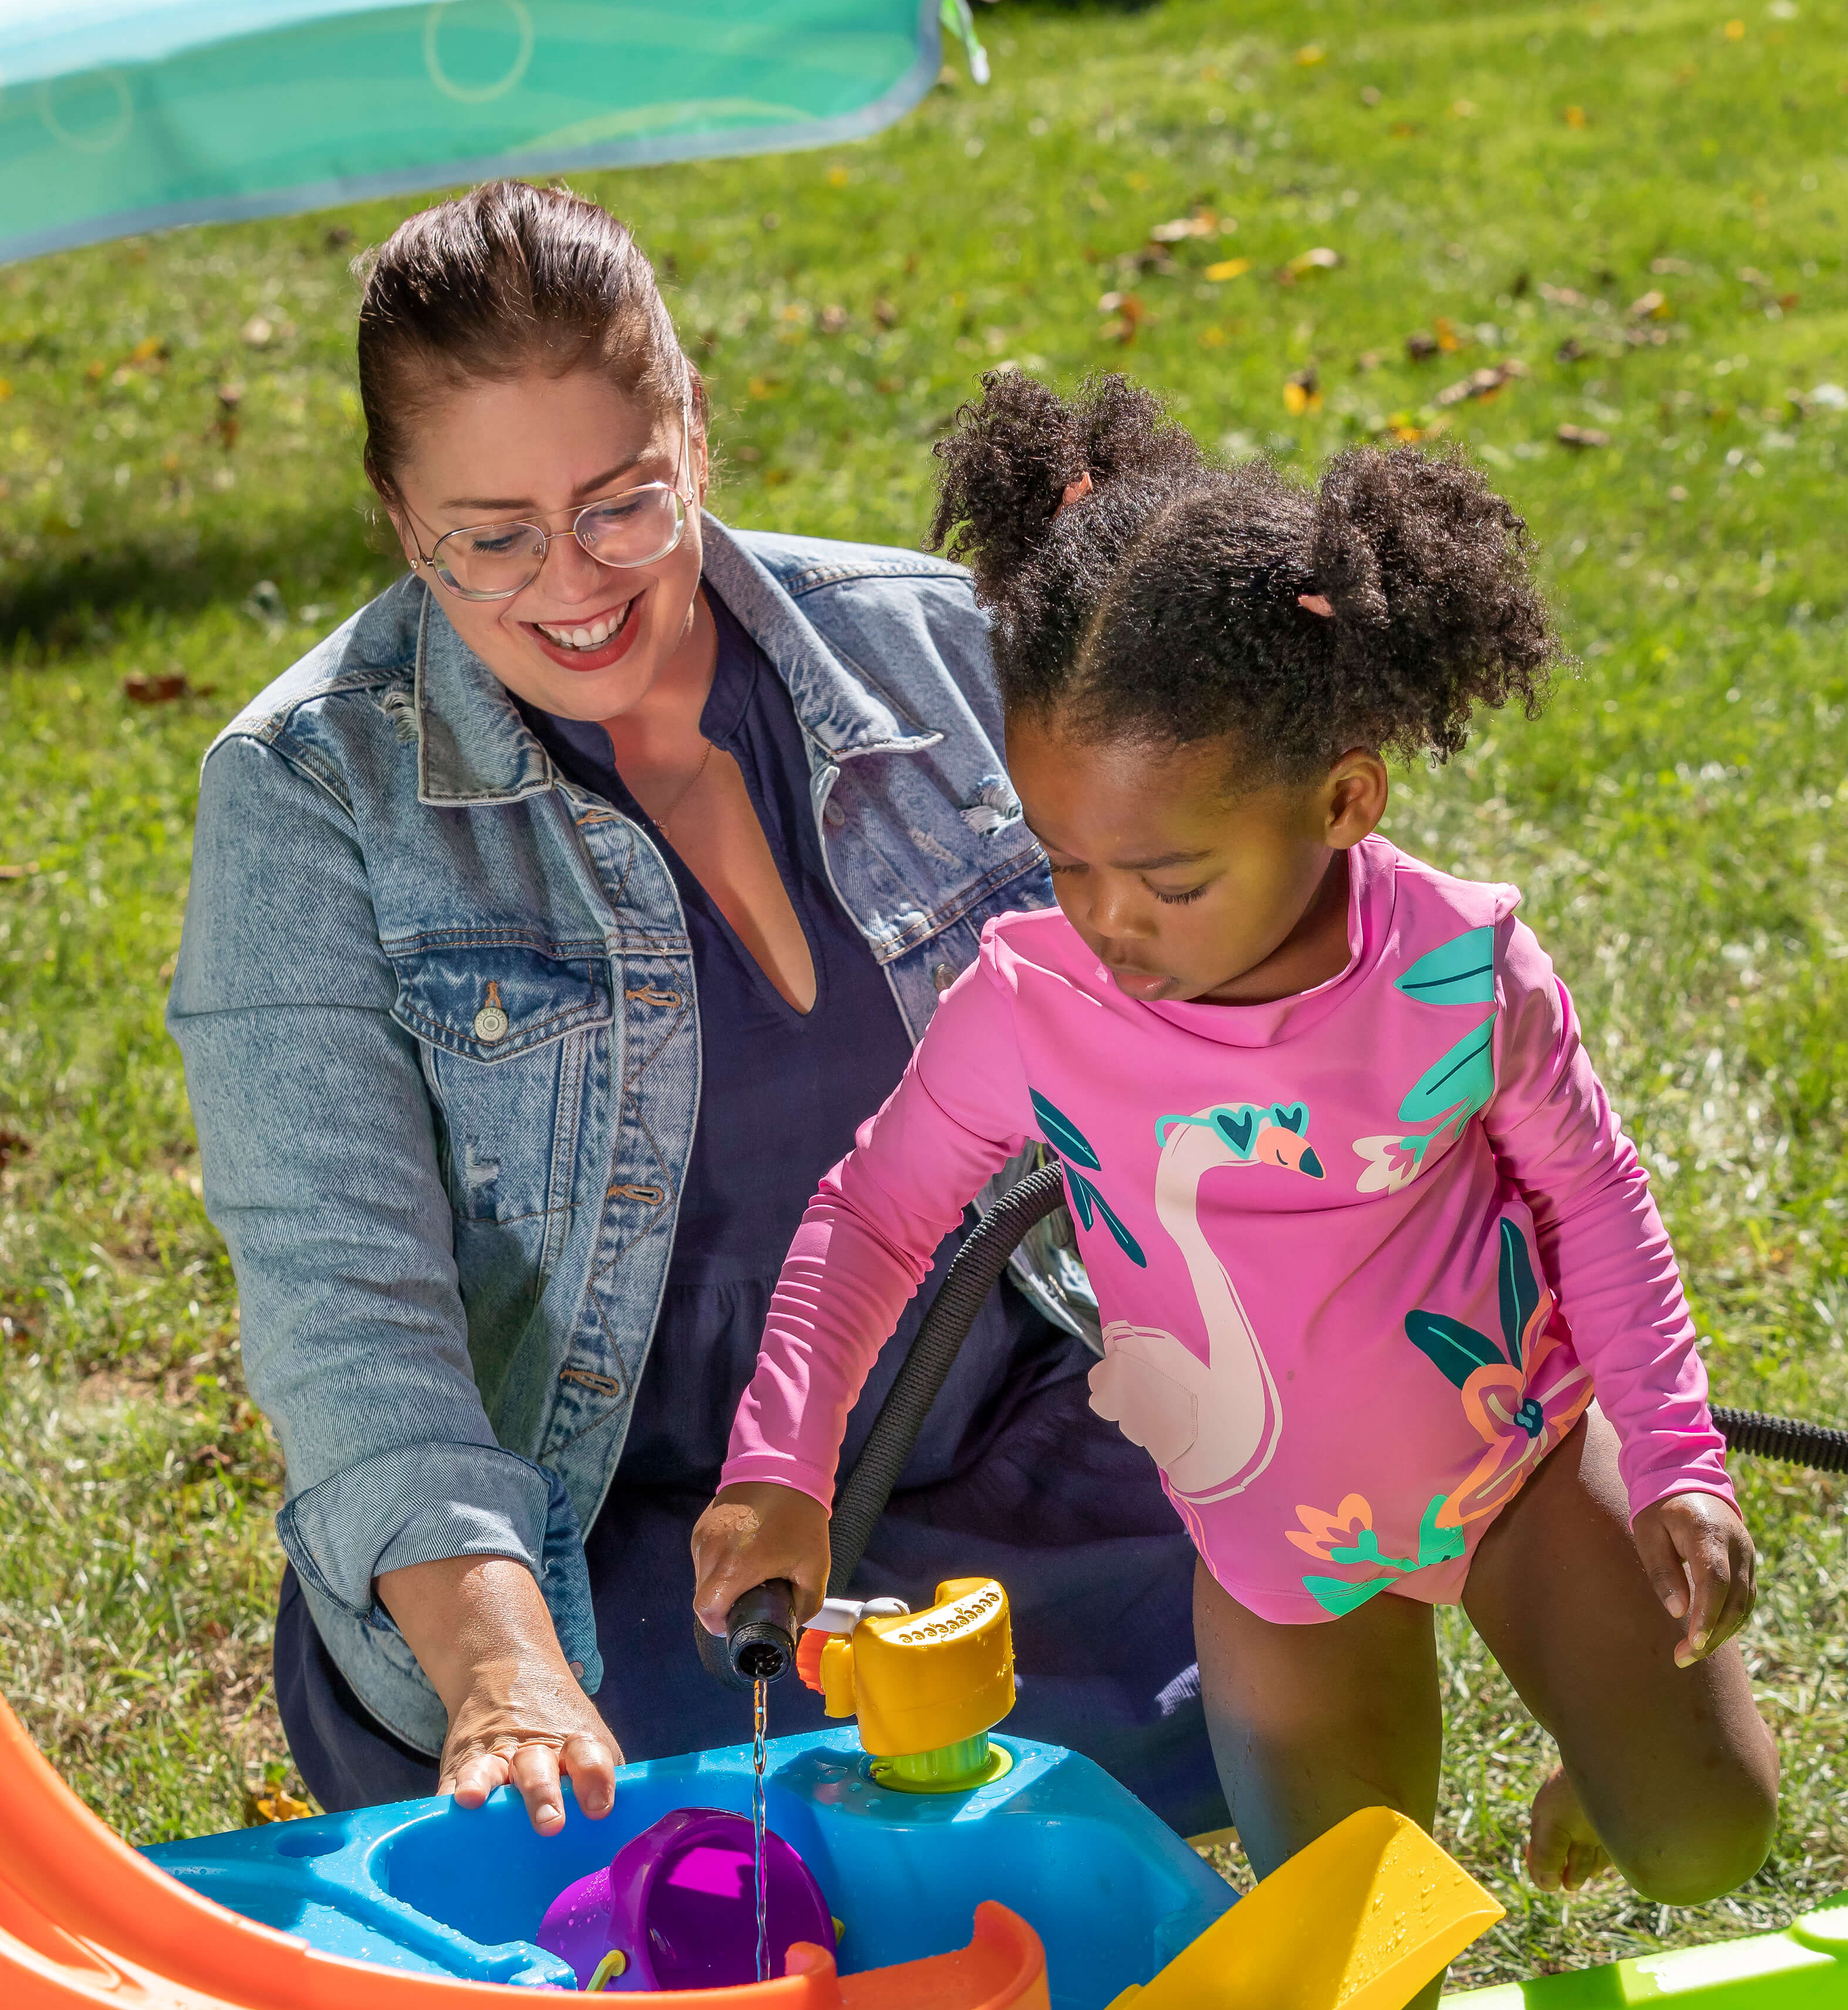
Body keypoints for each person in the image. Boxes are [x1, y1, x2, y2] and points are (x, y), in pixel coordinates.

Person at [694, 372, 1778, 2010]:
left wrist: (1673, 1456)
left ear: (1339, 803)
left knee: (1705, 1839)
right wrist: (778, 1464)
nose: (1109, 922)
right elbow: (875, 1212)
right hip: (1280, 1571)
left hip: (1514, 1471)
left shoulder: (1456, 976)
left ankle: (1610, 1745)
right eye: (1066, 863)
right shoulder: (1027, 1007)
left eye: (1169, 878)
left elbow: (1592, 1192)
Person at [170, 194, 1225, 1841]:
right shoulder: (312, 790)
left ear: (695, 434)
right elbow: (342, 1301)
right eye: (492, 535)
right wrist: (505, 1664)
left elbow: (1226, 1005)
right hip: (627, 1546)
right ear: (396, 517)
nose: (572, 586)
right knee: (705, 1808)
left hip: (1035, 1443)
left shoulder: (939, 648)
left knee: (1319, 1563)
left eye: (619, 505)